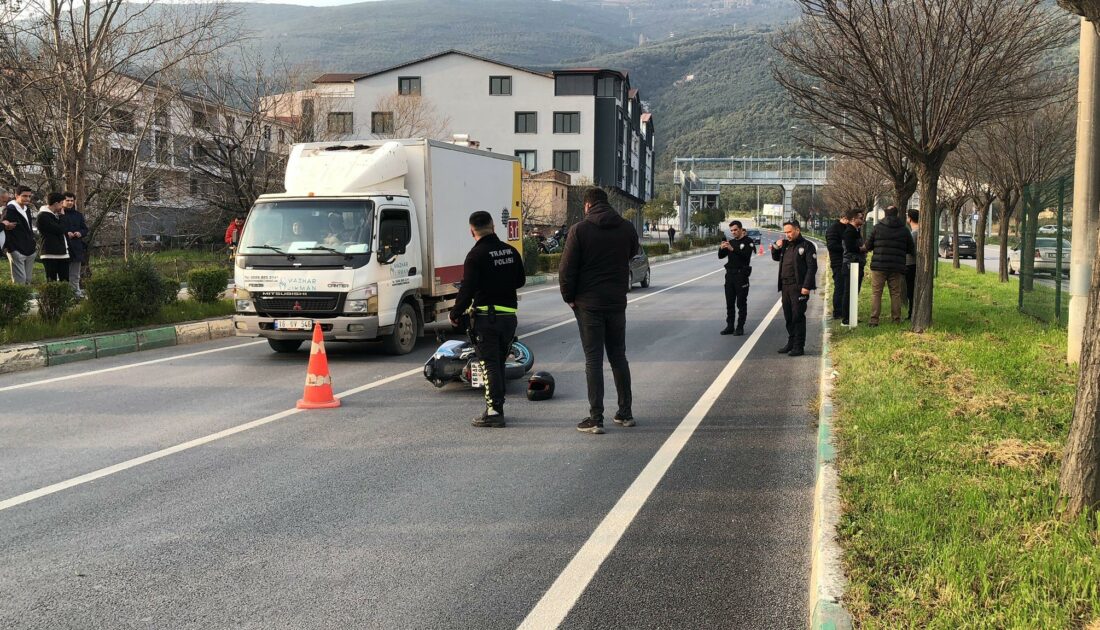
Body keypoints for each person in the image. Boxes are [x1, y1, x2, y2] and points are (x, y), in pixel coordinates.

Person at [559, 187, 639, 434]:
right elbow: (633, 253)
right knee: (618, 356)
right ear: (607, 203)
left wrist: (569, 298)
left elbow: (566, 269)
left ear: (587, 206)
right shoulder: (626, 227)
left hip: (589, 304)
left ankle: (596, 418)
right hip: (616, 303)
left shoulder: (580, 230)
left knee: (593, 360)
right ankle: (625, 413)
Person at [450, 211, 526, 428]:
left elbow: (467, 289)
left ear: (471, 230)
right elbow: (520, 280)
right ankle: (498, 407)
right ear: (493, 227)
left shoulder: (475, 256)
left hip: (487, 319)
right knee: (499, 363)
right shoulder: (511, 251)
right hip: (508, 318)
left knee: (489, 365)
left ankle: (493, 412)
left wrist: (455, 313)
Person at [771, 219, 818, 356]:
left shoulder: (807, 246)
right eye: (785, 232)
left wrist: (806, 287)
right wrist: (776, 247)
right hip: (786, 286)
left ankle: (799, 346)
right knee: (788, 316)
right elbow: (775, 258)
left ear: (797, 229)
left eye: (789, 232)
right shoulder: (786, 245)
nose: (787, 235)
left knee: (798, 316)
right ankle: (791, 342)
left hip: (799, 286)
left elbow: (812, 267)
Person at [863, 205, 914, 326]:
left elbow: (868, 246)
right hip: (896, 266)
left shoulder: (877, 228)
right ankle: (896, 319)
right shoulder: (904, 229)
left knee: (876, 293)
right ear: (897, 214)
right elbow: (911, 248)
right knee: (895, 293)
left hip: (879, 265)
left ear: (885, 214)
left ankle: (874, 320)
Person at [719, 219, 754, 335]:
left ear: (740, 229)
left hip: (741, 275)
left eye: (735, 230)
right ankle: (730, 326)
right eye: (731, 230)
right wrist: (722, 247)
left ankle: (740, 326)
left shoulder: (748, 241)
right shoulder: (731, 242)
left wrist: (733, 249)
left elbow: (745, 256)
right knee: (729, 302)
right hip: (729, 276)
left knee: (741, 303)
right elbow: (721, 256)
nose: (733, 232)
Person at [3, 186, 38, 285]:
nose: (27, 198)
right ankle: (18, 300)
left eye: (29, 196)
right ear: (16, 196)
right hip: (16, 250)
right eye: (24, 196)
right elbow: (3, 229)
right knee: (20, 281)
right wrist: (11, 249)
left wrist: (33, 245)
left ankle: (25, 300)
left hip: (29, 250)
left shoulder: (27, 209)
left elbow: (29, 229)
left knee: (28, 280)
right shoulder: (9, 209)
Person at [36, 192, 70, 282]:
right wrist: (62, 216)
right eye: (62, 203)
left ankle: (64, 296)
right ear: (56, 203)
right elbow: (60, 229)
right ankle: (52, 297)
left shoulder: (55, 215)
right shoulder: (43, 216)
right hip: (50, 253)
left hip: (63, 253)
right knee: (52, 281)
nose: (63, 206)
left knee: (65, 280)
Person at [840, 209, 866, 325]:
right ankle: (846, 318)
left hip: (857, 263)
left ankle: (852, 315)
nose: (862, 219)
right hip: (851, 264)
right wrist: (862, 249)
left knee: (855, 291)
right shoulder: (849, 232)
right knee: (849, 291)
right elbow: (850, 248)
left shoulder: (856, 230)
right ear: (853, 219)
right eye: (860, 218)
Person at [60, 192, 88, 297]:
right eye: (67, 200)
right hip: (62, 247)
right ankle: (63, 294)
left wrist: (80, 233)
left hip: (76, 248)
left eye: (72, 200)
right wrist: (66, 233)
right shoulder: (58, 214)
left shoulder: (78, 215)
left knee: (75, 274)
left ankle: (75, 293)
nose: (70, 202)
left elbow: (85, 229)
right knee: (62, 274)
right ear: (62, 201)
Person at [825, 212, 850, 319]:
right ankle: (838, 312)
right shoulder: (834, 229)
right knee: (840, 287)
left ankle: (845, 311)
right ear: (844, 218)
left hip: (846, 261)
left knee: (845, 288)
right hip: (838, 262)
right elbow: (831, 246)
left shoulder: (847, 228)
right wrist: (847, 248)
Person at [905, 209, 919, 320]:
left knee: (911, 290)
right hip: (914, 264)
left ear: (910, 218)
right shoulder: (919, 232)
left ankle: (911, 313)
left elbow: (910, 249)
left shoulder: (914, 234)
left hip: (911, 264)